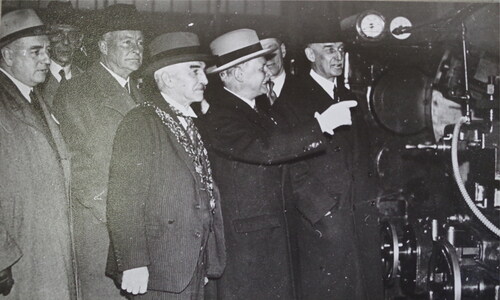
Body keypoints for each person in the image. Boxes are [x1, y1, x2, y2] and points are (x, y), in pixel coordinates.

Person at [199, 28, 357, 299]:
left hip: (274, 236)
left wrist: (326, 214)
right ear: (238, 74)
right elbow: (266, 150)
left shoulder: (258, 111)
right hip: (248, 245)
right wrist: (322, 123)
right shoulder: (220, 117)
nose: (268, 74)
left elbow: (290, 168)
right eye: (261, 68)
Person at [106, 31, 226, 300]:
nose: (205, 79)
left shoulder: (187, 121)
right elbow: (124, 198)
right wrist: (134, 262)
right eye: (195, 71)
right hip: (158, 269)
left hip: (189, 265)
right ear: (168, 77)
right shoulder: (141, 122)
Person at [273, 20, 383, 300]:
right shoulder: (291, 100)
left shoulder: (348, 97)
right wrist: (323, 212)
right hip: (323, 224)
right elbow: (290, 166)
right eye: (329, 50)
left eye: (341, 50)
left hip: (358, 217)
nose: (338, 57)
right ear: (310, 55)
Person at [53, 4, 144, 299]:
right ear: (104, 46)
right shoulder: (77, 91)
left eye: (140, 42)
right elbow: (76, 161)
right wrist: (119, 214)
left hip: (139, 224)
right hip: (102, 227)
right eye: (127, 42)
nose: (136, 49)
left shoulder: (144, 93)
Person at [0, 9, 76, 299]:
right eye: (36, 51)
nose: (47, 57)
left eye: (46, 49)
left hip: (46, 247)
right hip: (19, 254)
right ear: (7, 56)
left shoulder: (34, 97)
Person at [40, 0, 84, 109]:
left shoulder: (87, 80)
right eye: (58, 34)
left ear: (79, 40)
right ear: (46, 38)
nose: (65, 42)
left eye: (72, 35)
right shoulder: (36, 80)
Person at [255, 37, 296, 111]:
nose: (267, 58)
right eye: (261, 53)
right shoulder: (252, 94)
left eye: (272, 50)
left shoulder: (306, 87)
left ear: (283, 50)